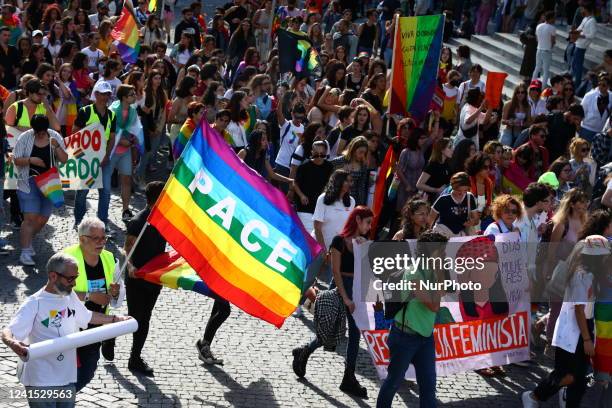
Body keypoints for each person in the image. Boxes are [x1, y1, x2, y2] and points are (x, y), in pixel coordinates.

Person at [1, 253, 131, 407]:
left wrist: (116, 319)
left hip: (67, 376)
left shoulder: (70, 296)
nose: (74, 283)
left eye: (76, 277)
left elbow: (87, 316)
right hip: (41, 380)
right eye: (70, 279)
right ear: (53, 276)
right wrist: (12, 342)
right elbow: (8, 331)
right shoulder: (34, 303)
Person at [292, 206, 373, 399]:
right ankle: (304, 352)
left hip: (356, 288)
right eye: (368, 222)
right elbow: (335, 272)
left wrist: (364, 250)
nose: (370, 227)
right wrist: (345, 298)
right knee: (328, 331)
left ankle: (349, 377)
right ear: (358, 220)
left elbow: (367, 271)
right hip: (339, 287)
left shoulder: (364, 242)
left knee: (355, 333)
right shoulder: (339, 241)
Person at [522, 235, 610, 408]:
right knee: (567, 375)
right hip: (572, 331)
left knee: (578, 378)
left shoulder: (592, 274)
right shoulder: (581, 275)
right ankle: (534, 396)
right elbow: (578, 310)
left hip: (583, 327)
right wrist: (586, 339)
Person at [377, 231, 449, 408]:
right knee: (393, 381)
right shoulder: (413, 272)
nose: (445, 254)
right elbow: (434, 305)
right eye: (441, 250)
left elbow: (444, 291)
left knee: (429, 387)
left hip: (425, 337)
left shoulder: (434, 269)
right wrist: (439, 273)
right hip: (404, 337)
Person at [62, 217, 123, 391]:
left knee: (87, 372)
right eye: (96, 238)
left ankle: (63, 397)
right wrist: (90, 296)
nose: (101, 242)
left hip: (95, 326)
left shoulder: (109, 258)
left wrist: (115, 293)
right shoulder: (66, 259)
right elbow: (57, 293)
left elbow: (116, 296)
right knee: (64, 371)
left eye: (103, 238)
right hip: (68, 326)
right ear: (82, 239)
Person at [12, 114, 68, 266]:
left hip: (50, 185)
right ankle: (25, 251)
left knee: (43, 218)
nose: (40, 134)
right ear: (33, 129)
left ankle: (27, 241)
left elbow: (64, 159)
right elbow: (16, 160)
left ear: (46, 129)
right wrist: (31, 160)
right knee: (29, 219)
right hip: (28, 183)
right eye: (37, 132)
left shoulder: (55, 136)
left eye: (42, 132)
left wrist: (56, 146)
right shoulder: (25, 137)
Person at [124, 181, 166, 376]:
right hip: (136, 277)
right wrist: (131, 267)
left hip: (154, 277)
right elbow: (126, 250)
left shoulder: (164, 220)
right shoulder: (138, 222)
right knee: (134, 318)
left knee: (145, 317)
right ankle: (110, 337)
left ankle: (135, 357)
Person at [73, 81, 116, 231]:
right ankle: (78, 220)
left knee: (105, 191)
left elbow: (112, 137)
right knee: (83, 191)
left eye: (107, 94)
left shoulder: (112, 114)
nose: (105, 97)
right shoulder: (85, 111)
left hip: (104, 158)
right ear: (95, 94)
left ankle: (102, 222)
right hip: (87, 158)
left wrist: (106, 156)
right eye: (102, 93)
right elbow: (75, 133)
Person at [293, 140, 334, 233]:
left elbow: (330, 183)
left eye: (322, 155)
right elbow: (295, 183)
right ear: (311, 153)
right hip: (305, 207)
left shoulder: (329, 166)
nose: (319, 157)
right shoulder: (304, 166)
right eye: (316, 154)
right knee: (307, 234)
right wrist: (301, 195)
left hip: (320, 208)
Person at [429, 172, 479, 238]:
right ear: (452, 187)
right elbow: (430, 219)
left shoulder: (470, 197)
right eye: (459, 190)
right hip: (442, 233)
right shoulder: (443, 199)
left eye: (465, 190)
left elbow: (476, 219)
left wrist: (472, 222)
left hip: (460, 235)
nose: (462, 193)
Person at [416, 137, 453, 203]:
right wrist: (436, 190)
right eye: (449, 147)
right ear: (442, 149)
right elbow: (419, 184)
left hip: (440, 199)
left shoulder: (447, 164)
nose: (452, 149)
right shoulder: (432, 165)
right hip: (429, 200)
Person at [579, 72, 611, 142]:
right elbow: (581, 112)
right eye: (599, 84)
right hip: (587, 129)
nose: (600, 87)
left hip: (601, 131)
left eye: (603, 85)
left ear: (608, 86)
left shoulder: (611, 96)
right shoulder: (589, 95)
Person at [570, 3, 597, 87]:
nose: (581, 11)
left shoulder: (592, 21)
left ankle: (576, 84)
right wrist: (574, 32)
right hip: (578, 43)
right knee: (574, 64)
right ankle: (574, 81)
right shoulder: (585, 18)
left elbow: (592, 35)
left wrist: (581, 35)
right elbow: (579, 28)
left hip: (582, 46)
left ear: (587, 10)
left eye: (583, 9)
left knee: (578, 66)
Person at [533, 11, 556, 88]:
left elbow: (537, 38)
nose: (555, 19)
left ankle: (532, 84)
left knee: (537, 68)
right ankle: (543, 87)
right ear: (551, 18)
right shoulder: (552, 28)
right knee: (546, 71)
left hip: (539, 49)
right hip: (547, 50)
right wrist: (551, 46)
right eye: (554, 18)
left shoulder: (539, 26)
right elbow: (553, 41)